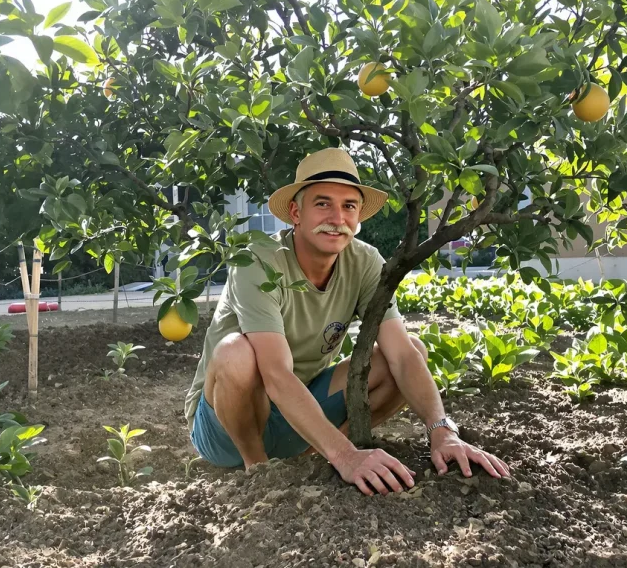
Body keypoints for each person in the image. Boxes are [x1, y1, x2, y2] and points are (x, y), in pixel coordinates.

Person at [185, 148, 511, 496]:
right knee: (236, 353)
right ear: (296, 212)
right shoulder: (257, 263)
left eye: (349, 206)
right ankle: (259, 470)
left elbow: (401, 355)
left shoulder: (364, 262)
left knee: (411, 349)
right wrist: (346, 455)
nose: (337, 217)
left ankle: (313, 457)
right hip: (227, 426)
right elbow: (276, 375)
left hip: (302, 411)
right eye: (323, 204)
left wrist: (442, 431)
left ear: (358, 218)